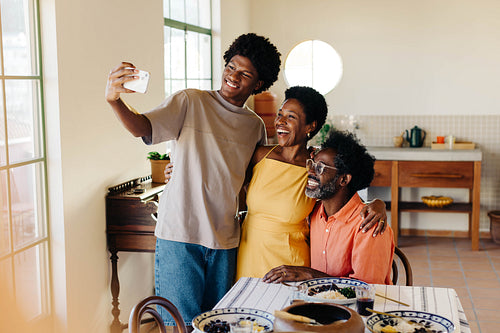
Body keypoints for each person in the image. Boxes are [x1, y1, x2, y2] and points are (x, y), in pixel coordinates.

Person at [105, 33, 281, 328]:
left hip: (225, 241)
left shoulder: (254, 126)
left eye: (245, 74)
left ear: (258, 84)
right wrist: (115, 100)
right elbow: (142, 128)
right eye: (231, 67)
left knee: (220, 323)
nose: (233, 77)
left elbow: (253, 181)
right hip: (180, 236)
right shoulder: (191, 101)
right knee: (180, 325)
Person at [236, 87, 388, 280]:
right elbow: (234, 189)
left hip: (290, 262)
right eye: (280, 114)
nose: (280, 121)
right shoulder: (260, 155)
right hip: (248, 254)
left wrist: (377, 203)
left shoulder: (314, 169)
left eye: (291, 117)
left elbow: (340, 199)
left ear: (310, 126)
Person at [262, 129, 395, 285]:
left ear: (344, 179)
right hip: (318, 302)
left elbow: (367, 289)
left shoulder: (369, 224)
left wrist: (311, 275)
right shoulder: (314, 212)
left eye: (320, 168)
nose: (310, 172)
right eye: (311, 164)